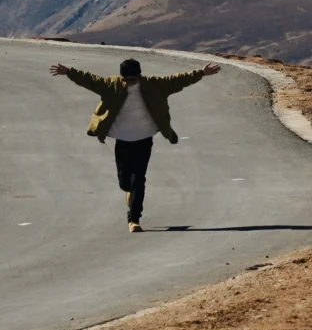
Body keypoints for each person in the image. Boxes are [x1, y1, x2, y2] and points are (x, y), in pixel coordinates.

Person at [50, 56, 221, 231]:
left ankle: (134, 219)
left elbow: (177, 80)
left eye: (133, 79)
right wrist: (69, 72)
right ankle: (130, 194)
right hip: (122, 139)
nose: (130, 83)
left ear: (139, 75)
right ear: (121, 77)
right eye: (126, 79)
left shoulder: (154, 85)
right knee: (125, 182)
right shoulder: (112, 86)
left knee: (139, 179)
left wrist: (201, 73)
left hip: (144, 137)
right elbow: (90, 80)